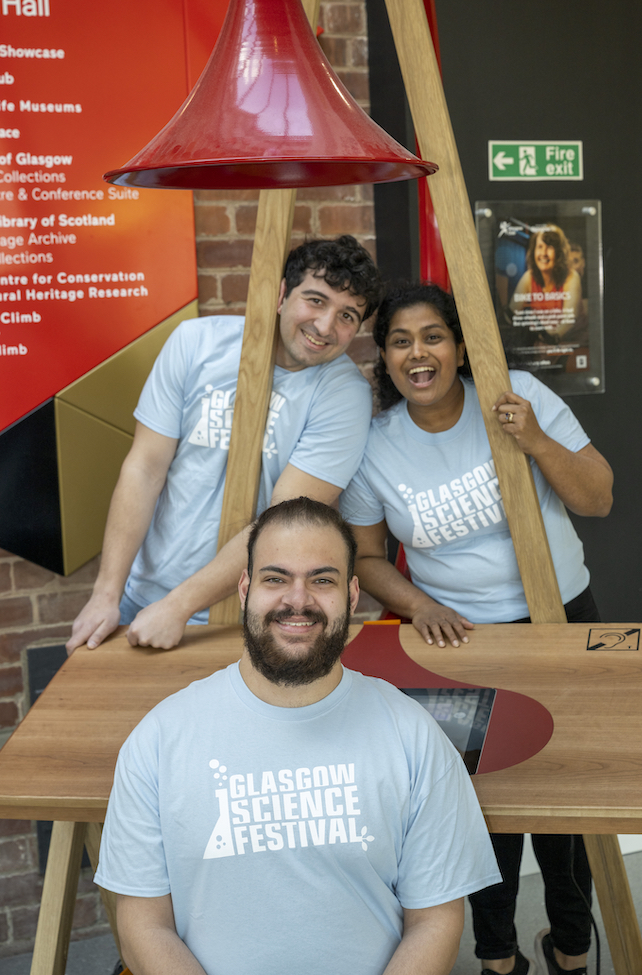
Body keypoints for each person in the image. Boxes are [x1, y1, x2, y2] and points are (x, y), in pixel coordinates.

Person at [94, 498, 501, 975]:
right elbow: (143, 925)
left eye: (321, 580)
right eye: (275, 578)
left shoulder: (412, 735)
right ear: (245, 588)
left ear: (351, 596)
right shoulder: (159, 740)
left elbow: (435, 921)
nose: (297, 599)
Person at [339, 283, 613, 975]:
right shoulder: (377, 446)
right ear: (386, 359)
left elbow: (597, 497)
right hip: (459, 644)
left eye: (432, 335)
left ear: (459, 347)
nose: (417, 353)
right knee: (482, 814)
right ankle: (498, 957)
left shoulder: (514, 393)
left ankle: (573, 948)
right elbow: (367, 558)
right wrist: (418, 603)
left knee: (567, 805)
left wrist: (535, 437)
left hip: (558, 621)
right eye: (400, 341)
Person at [66, 235, 383, 654]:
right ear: (282, 294)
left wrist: (178, 607)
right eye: (315, 300)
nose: (325, 327)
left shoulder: (344, 395)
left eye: (347, 316)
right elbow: (144, 469)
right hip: (141, 597)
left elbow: (282, 521)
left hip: (247, 616)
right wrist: (106, 595)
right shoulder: (195, 343)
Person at [509, 224, 584, 342]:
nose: (543, 253)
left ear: (559, 252)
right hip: (542, 344)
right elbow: (511, 315)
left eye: (549, 247)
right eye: (539, 246)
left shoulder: (571, 277)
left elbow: (568, 322)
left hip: (570, 344)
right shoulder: (529, 277)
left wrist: (550, 338)